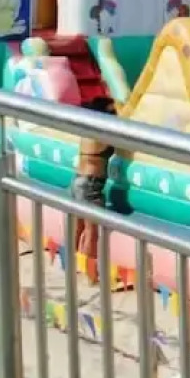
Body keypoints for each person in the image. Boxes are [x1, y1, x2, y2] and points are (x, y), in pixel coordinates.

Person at [72, 95, 120, 278]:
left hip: (77, 180)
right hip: (91, 184)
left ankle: (71, 265)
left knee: (77, 227)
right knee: (92, 232)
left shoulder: (87, 130)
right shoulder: (103, 132)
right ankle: (90, 275)